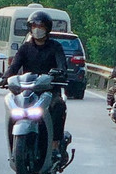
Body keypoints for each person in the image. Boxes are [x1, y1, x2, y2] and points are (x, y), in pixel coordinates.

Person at [4, 10, 69, 155]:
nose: (37, 29)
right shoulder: (25, 48)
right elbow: (14, 67)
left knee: (58, 106)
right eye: (34, 25)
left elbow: (61, 66)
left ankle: (55, 145)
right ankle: (14, 145)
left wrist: (59, 73)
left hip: (49, 91)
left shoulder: (55, 47)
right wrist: (5, 78)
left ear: (47, 29)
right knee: (13, 109)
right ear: (30, 28)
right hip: (28, 91)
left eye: (41, 26)